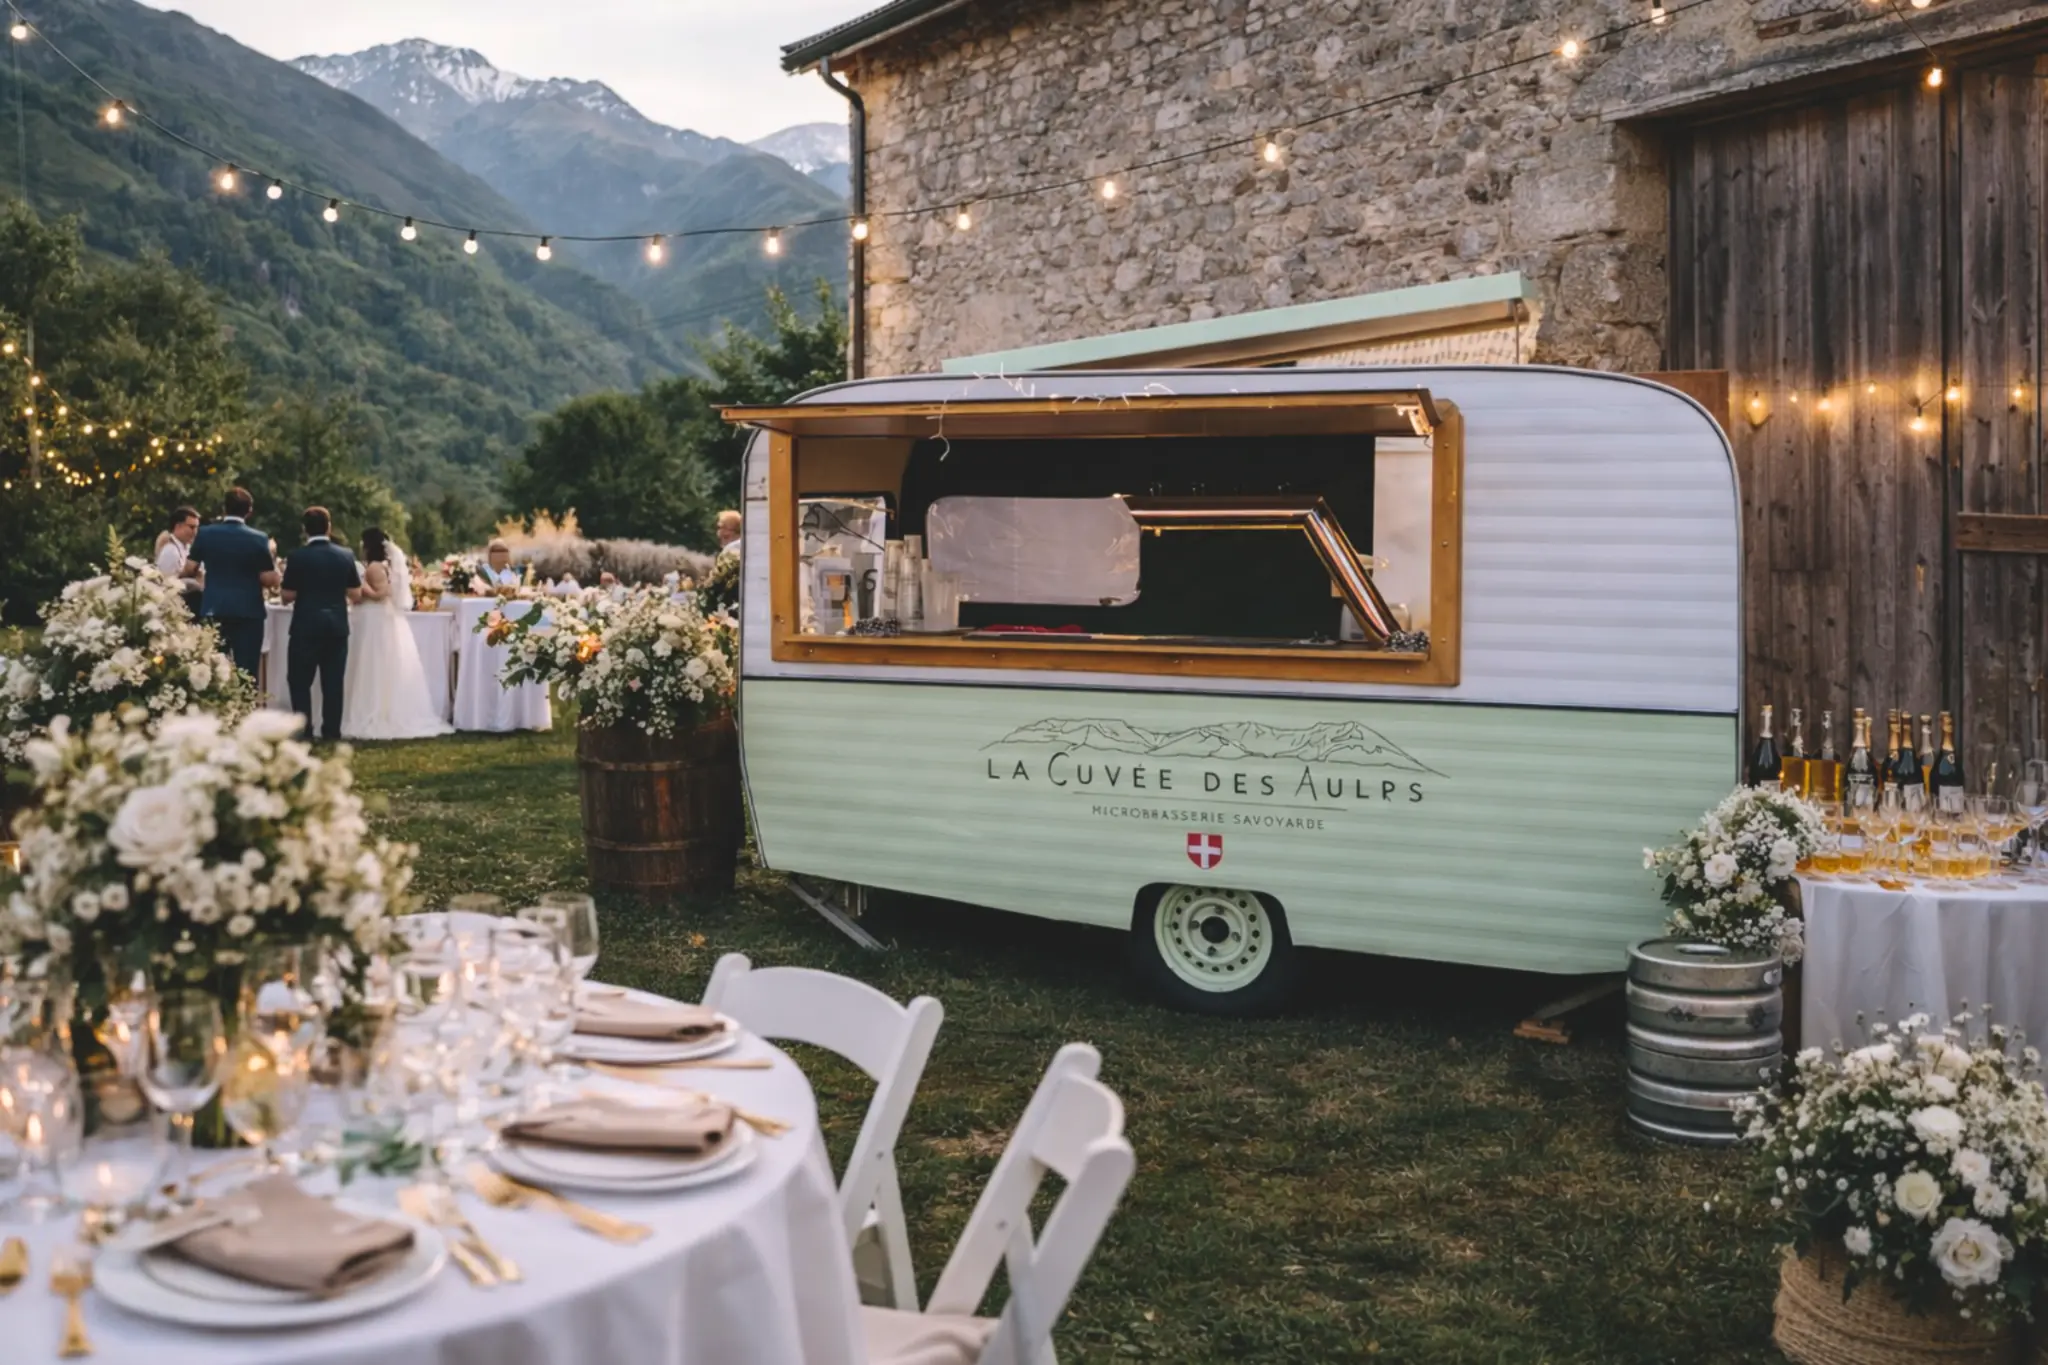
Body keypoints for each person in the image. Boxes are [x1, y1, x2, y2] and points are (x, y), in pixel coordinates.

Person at [340, 527, 453, 741]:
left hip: (374, 618)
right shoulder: (382, 565)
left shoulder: (374, 567)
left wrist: (360, 585)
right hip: (378, 617)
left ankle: (374, 711)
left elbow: (382, 593)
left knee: (372, 664)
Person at [280, 506, 362, 743]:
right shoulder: (345, 555)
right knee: (333, 682)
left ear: (304, 529)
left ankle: (304, 730)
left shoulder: (297, 556)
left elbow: (287, 595)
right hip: (336, 625)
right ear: (329, 527)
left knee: (299, 681)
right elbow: (355, 593)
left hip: (305, 624)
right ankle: (332, 731)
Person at [184, 487, 278, 677]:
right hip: (249, 611)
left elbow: (189, 568)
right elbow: (269, 578)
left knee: (213, 671)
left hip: (214, 607)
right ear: (249, 511)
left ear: (224, 508)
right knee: (247, 672)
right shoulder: (259, 539)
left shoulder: (206, 534)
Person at [156, 505, 204, 617]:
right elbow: (165, 585)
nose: (195, 532)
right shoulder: (170, 551)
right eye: (191, 527)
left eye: (197, 528)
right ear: (178, 526)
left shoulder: (185, 548)